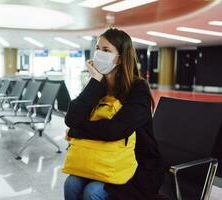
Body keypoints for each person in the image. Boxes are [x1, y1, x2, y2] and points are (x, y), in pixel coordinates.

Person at [64, 28, 164, 200]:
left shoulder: (138, 89)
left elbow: (114, 130)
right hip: (101, 159)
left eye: (106, 50)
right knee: (71, 183)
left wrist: (75, 132)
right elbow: (71, 118)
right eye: (97, 49)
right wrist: (95, 80)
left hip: (137, 166)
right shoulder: (98, 86)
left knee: (93, 191)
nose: (99, 54)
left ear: (121, 57)